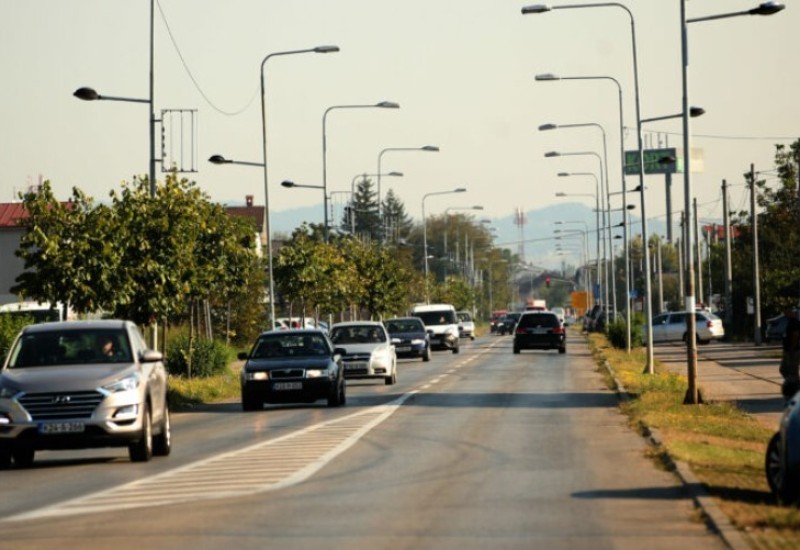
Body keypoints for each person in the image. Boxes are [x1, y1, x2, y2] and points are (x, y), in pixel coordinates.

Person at [780, 307, 800, 400]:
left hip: (793, 350)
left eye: (788, 311)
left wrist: (792, 348)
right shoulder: (788, 321)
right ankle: (793, 385)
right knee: (784, 369)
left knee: (792, 370)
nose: (785, 313)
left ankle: (794, 389)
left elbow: (795, 335)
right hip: (787, 349)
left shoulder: (794, 322)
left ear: (793, 312)